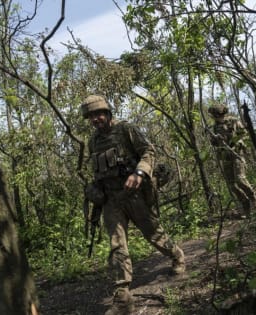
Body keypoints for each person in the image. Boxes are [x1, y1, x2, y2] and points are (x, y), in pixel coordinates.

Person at [81, 95, 185, 315]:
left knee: (153, 234)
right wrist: (96, 191)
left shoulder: (126, 129)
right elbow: (98, 170)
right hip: (111, 200)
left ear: (107, 113)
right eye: (91, 116)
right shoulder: (93, 141)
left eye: (99, 114)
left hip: (134, 194)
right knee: (117, 244)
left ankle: (176, 255)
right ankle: (123, 296)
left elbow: (149, 151)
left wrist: (139, 172)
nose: (96, 119)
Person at [208, 104, 256, 217]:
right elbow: (214, 143)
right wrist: (214, 139)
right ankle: (246, 205)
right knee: (231, 185)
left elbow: (244, 135)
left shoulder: (233, 121)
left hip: (237, 154)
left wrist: (238, 143)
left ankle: (254, 201)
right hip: (225, 156)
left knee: (240, 179)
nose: (213, 117)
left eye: (214, 114)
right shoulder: (215, 126)